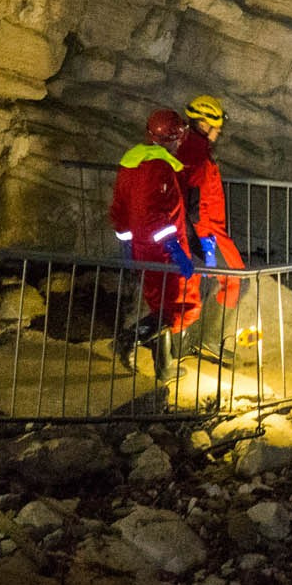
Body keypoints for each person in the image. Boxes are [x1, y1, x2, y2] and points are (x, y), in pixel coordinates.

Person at [110, 109, 195, 381]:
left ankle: (164, 368)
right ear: (172, 138)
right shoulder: (159, 168)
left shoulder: (131, 163)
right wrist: (174, 248)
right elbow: (156, 216)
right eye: (179, 136)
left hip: (141, 247)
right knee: (177, 308)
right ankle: (129, 338)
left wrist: (127, 244)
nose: (181, 141)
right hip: (161, 251)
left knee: (161, 307)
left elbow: (120, 209)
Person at [175, 95, 246, 361]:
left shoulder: (191, 147)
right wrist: (199, 242)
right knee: (233, 276)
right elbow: (193, 199)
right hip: (206, 232)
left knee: (192, 285)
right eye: (215, 126)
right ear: (204, 124)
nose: (219, 132)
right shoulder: (195, 152)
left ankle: (183, 345)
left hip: (200, 230)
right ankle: (208, 340)